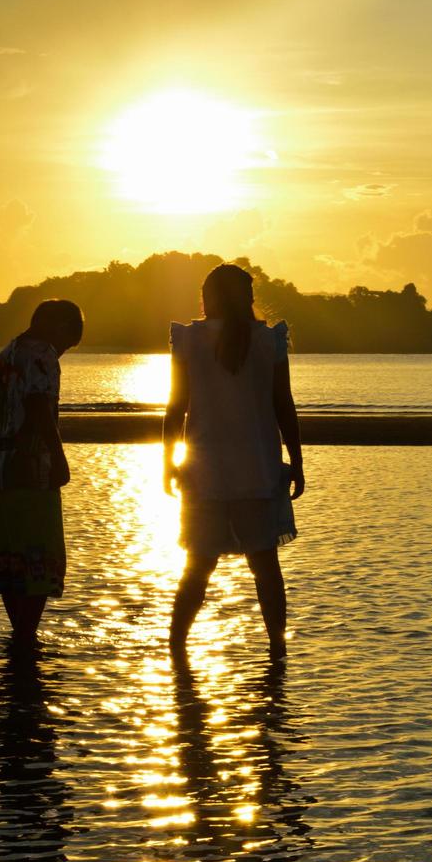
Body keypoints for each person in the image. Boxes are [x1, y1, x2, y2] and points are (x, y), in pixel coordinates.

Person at [163, 264, 304, 659]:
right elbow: (284, 406)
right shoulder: (270, 340)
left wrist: (167, 462)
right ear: (250, 298)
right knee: (265, 567)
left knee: (197, 568)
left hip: (205, 472)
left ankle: (176, 650)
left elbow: (176, 407)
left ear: (206, 299)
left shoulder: (188, 340)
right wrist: (296, 460)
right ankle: (277, 649)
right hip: (257, 468)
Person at [0, 299, 85, 644]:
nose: (62, 351)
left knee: (11, 560)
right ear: (58, 328)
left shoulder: (3, 357)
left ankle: (22, 636)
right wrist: (59, 457)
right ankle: (26, 637)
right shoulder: (42, 355)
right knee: (40, 556)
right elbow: (39, 408)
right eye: (67, 343)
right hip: (31, 470)